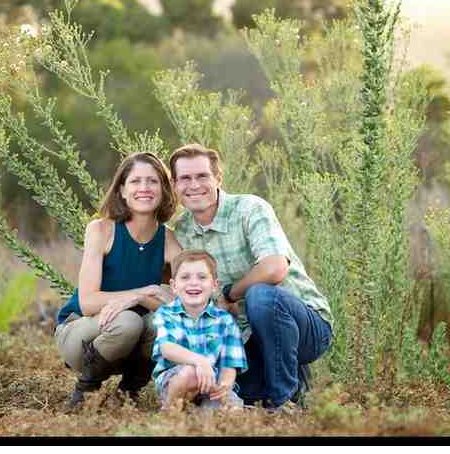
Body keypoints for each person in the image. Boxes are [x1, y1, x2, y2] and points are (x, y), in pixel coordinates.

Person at [168, 143, 333, 413]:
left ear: (218, 178)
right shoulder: (183, 231)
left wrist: (230, 294)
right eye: (185, 178)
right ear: (174, 185)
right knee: (240, 395)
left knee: (261, 295)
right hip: (245, 334)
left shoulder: (249, 208)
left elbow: (274, 268)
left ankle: (284, 401)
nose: (194, 185)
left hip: (305, 326)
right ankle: (289, 379)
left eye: (202, 176)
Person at [55, 151, 182, 410]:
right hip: (83, 333)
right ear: (122, 190)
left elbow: (183, 307)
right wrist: (143, 294)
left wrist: (141, 298)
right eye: (135, 181)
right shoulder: (101, 230)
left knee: (160, 323)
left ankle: (128, 391)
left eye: (153, 181)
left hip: (132, 344)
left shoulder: (168, 240)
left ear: (164, 190)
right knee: (128, 321)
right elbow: (88, 302)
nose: (144, 188)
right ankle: (86, 391)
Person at [151, 249, 247, 411]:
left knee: (232, 409)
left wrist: (224, 387)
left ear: (214, 285)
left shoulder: (225, 321)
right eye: (185, 277)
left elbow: (230, 363)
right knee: (191, 373)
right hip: (176, 380)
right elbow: (168, 349)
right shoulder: (166, 313)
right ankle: (170, 411)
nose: (193, 283)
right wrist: (200, 361)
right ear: (173, 286)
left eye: (202, 277)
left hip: (212, 383)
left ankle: (203, 413)